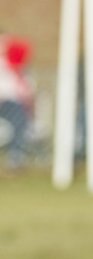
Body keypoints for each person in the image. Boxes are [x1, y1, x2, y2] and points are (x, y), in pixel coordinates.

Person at [0, 30, 34, 171]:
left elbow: (25, 91)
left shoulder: (15, 67)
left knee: (19, 114)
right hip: (5, 103)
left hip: (12, 105)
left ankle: (16, 156)